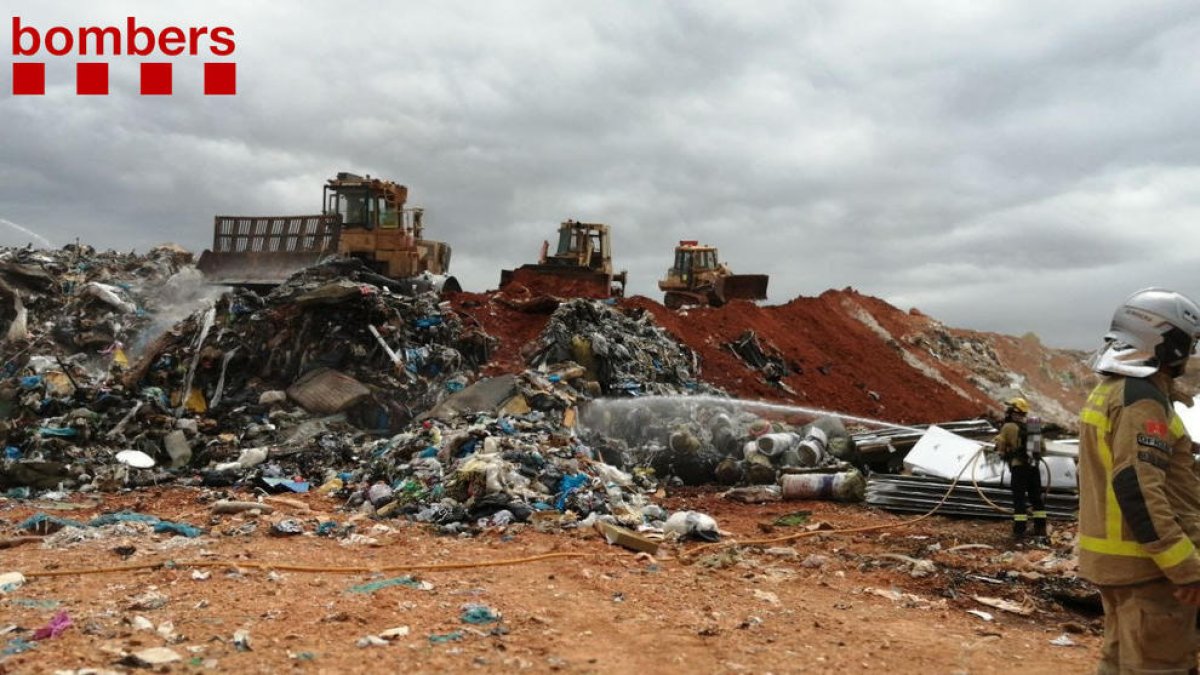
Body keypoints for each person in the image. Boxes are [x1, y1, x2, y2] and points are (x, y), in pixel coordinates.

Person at [1078, 287, 1200, 674]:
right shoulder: (1140, 398)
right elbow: (1137, 487)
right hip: (1149, 571)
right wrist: (1185, 567)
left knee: (1120, 664)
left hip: (1121, 566)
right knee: (1159, 666)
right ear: (1166, 341)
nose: (1189, 354)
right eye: (1187, 343)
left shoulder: (1112, 389)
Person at [991, 397, 1047, 543]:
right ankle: (1041, 529)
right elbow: (1042, 448)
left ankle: (1019, 531)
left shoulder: (1008, 427)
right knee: (1036, 499)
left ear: (1012, 411)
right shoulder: (1033, 425)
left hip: (1018, 467)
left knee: (1019, 500)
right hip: (1033, 467)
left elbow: (1001, 450)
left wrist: (1001, 447)